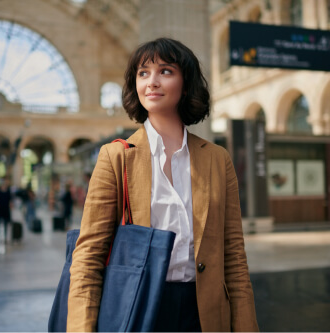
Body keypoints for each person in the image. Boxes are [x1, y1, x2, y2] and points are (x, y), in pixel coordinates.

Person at [67, 38, 259, 332]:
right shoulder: (116, 156)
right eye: (143, 73)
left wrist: (246, 327)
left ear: (186, 83)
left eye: (165, 71)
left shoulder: (218, 159)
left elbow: (233, 255)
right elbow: (88, 257)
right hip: (141, 308)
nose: (152, 82)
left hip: (205, 313)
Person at [0, 177, 12, 243]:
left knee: (5, 224)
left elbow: (10, 200)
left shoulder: (8, 190)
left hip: (6, 208)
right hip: (0, 208)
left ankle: (5, 237)